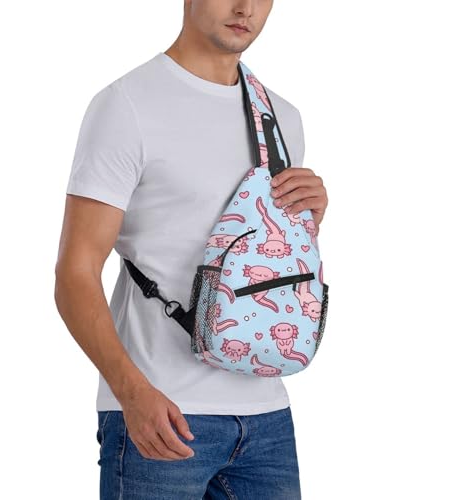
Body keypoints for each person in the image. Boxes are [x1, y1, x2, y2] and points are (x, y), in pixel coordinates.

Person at [54, 1, 328, 498]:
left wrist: (307, 219)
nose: (246, 8)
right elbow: (75, 273)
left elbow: (260, 259)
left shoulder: (280, 117)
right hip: (160, 410)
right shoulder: (128, 106)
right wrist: (132, 393)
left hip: (267, 415)